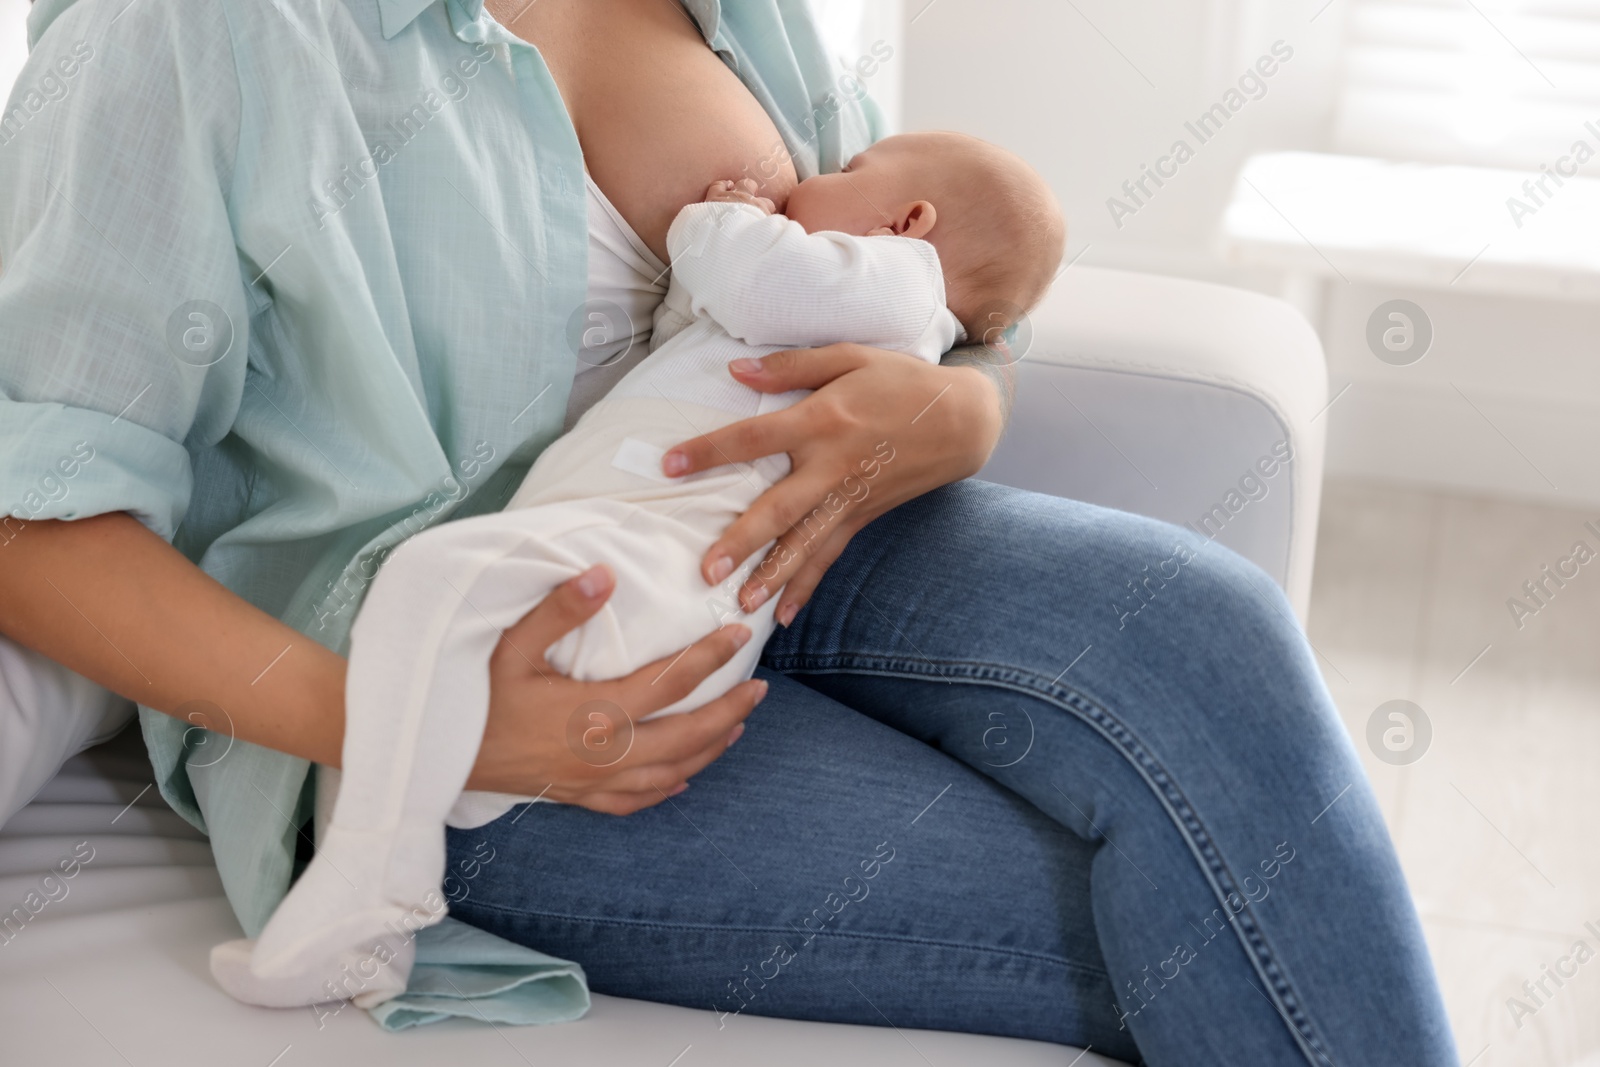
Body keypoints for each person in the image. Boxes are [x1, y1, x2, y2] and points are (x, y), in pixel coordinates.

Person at [0, 0, 1458, 1062]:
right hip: (497, 672)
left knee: (1211, 631)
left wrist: (959, 413)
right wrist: (409, 722)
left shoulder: (733, 8)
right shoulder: (181, 35)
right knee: (1193, 904)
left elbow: (927, 264)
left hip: (814, 543)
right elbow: (33, 519)